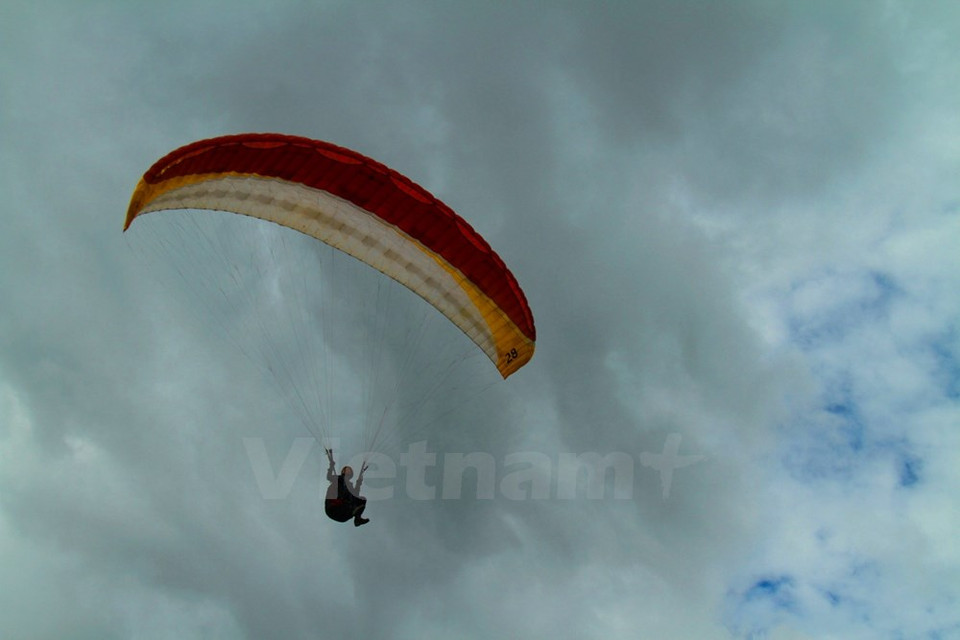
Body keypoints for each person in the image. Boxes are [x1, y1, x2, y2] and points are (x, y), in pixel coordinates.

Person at [324, 448, 369, 526]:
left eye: (350, 470)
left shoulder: (350, 486)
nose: (349, 471)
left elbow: (355, 494)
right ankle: (353, 512)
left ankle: (357, 519)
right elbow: (329, 477)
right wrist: (331, 465)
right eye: (347, 469)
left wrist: (359, 481)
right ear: (343, 471)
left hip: (344, 514)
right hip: (333, 508)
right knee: (349, 494)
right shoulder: (338, 478)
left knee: (362, 500)